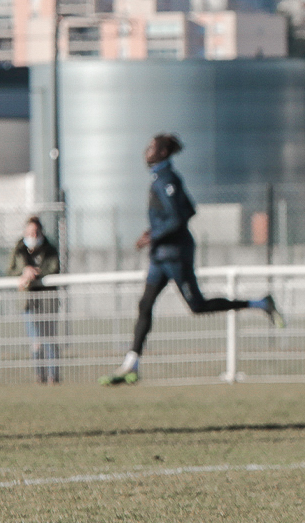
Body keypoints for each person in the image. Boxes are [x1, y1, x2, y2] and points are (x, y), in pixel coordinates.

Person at [103, 133, 285, 385]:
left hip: (175, 254)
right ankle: (131, 365)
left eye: (151, 147)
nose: (146, 151)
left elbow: (179, 217)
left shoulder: (167, 179)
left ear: (163, 152)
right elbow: (188, 208)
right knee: (145, 304)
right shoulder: (162, 177)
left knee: (197, 306)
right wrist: (154, 233)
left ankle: (260, 303)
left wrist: (153, 235)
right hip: (161, 255)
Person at [8, 216, 62, 384]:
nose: (33, 235)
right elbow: (10, 271)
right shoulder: (18, 250)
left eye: (36, 232)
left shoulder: (50, 249)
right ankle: (39, 375)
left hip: (47, 301)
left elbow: (54, 268)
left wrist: (36, 273)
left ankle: (53, 376)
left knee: (49, 340)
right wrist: (24, 272)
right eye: (30, 232)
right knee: (35, 341)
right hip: (28, 302)